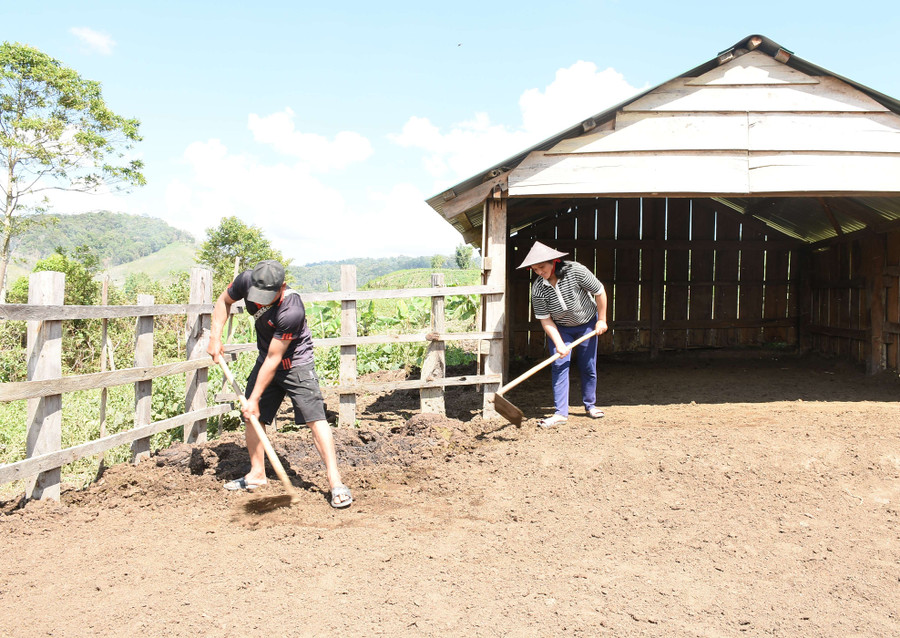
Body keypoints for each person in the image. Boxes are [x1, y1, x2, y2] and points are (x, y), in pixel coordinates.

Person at [207, 259, 352, 508]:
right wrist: (215, 337)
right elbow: (223, 301)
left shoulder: (292, 310)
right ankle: (257, 475)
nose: (261, 301)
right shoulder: (245, 280)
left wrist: (253, 399)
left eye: (267, 296)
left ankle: (335, 482)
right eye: (257, 295)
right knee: (253, 417)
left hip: (296, 364)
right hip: (267, 359)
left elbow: (277, 358)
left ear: (282, 287)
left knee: (315, 418)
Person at [517, 241, 609, 428]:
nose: (539, 272)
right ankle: (560, 413)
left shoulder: (576, 271)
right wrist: (559, 343)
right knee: (559, 365)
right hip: (561, 328)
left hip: (587, 325)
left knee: (588, 366)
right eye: (535, 269)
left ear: (554, 261)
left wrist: (602, 319)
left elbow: (599, 292)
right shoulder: (538, 288)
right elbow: (545, 320)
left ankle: (590, 405)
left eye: (542, 267)